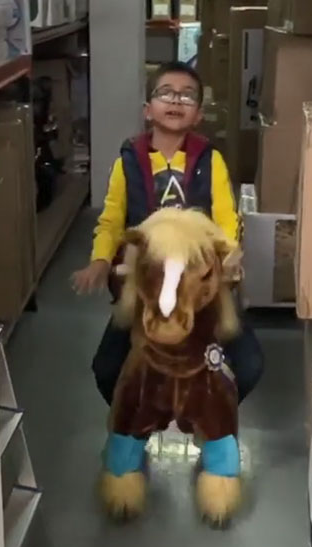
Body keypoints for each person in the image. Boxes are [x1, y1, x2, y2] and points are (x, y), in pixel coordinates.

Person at [71, 61, 263, 406]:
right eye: (166, 93)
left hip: (199, 283)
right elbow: (111, 220)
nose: (176, 100)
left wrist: (229, 254)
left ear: (198, 115)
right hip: (146, 282)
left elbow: (226, 217)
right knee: (107, 369)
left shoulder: (211, 161)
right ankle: (140, 419)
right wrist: (100, 260)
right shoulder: (127, 162)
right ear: (148, 109)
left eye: (187, 96)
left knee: (249, 366)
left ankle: (207, 413)